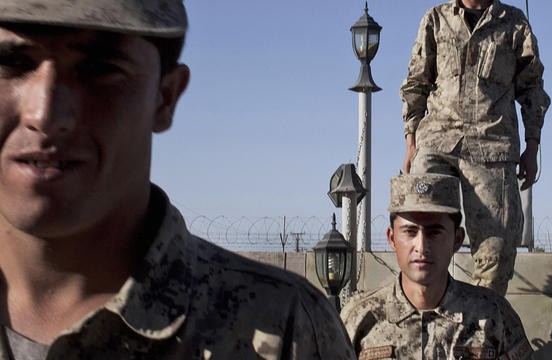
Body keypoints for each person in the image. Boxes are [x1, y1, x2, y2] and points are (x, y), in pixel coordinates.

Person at [0, 1, 356, 359]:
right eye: (10, 63)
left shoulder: (288, 330)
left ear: (165, 97)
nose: (44, 113)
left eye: (98, 69)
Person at [399, 0, 551, 295]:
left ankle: (481, 326)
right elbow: (417, 81)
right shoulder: (436, 19)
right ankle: (429, 310)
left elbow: (532, 87)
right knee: (421, 226)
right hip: (437, 143)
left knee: (498, 250)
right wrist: (410, 141)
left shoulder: (514, 23)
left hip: (492, 147)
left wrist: (532, 147)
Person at [340, 174, 534, 359]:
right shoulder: (359, 318)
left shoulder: (493, 316)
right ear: (392, 238)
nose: (422, 247)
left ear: (457, 239)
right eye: (410, 231)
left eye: (434, 232)